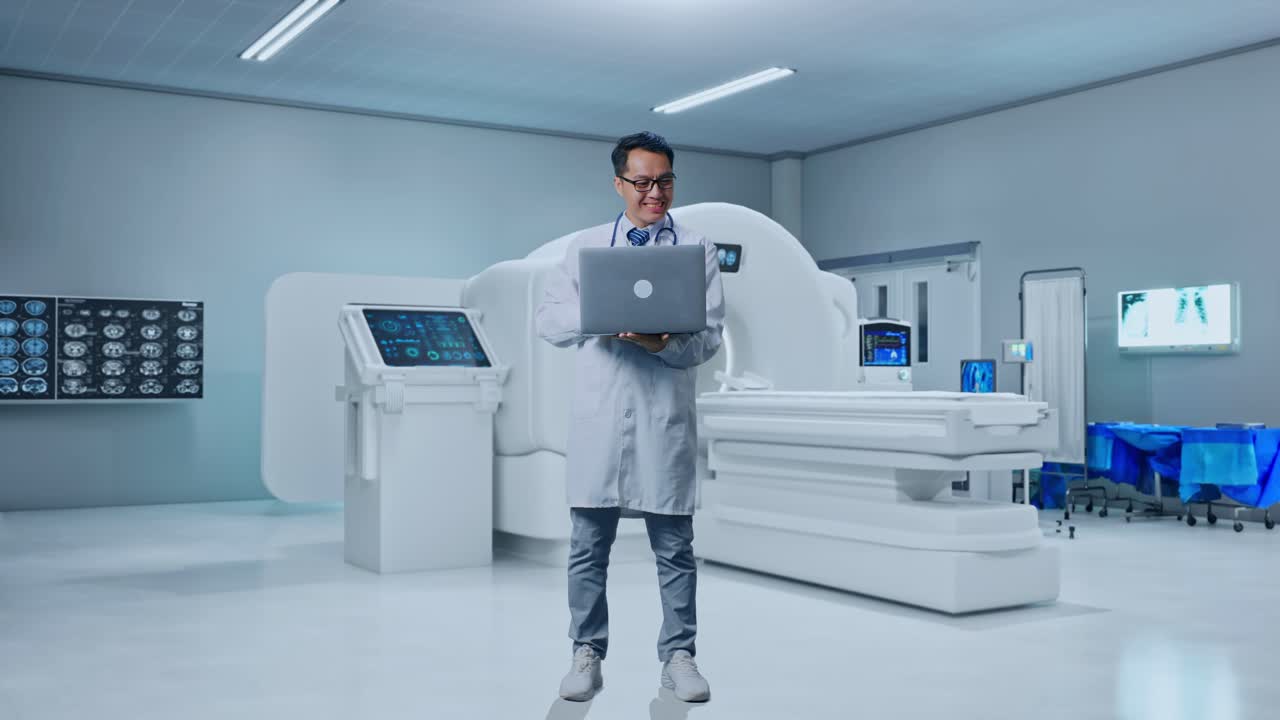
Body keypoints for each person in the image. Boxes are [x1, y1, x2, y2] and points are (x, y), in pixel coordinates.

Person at [535, 131, 725, 703]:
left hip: (662, 415)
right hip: (601, 417)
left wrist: (658, 341)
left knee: (674, 547)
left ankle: (680, 656)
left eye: (664, 181)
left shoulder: (699, 250)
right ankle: (586, 652)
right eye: (641, 182)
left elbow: (707, 340)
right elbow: (549, 321)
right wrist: (603, 317)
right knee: (588, 544)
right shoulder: (586, 248)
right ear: (619, 183)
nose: (654, 193)